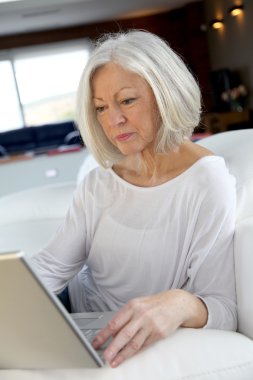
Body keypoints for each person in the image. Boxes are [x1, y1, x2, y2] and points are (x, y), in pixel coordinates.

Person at [32, 30, 237, 368]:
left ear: (165, 93)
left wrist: (181, 303)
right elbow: (51, 267)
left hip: (126, 338)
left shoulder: (207, 182)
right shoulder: (100, 183)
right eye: (100, 108)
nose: (113, 120)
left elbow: (224, 308)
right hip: (75, 320)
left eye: (127, 100)